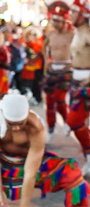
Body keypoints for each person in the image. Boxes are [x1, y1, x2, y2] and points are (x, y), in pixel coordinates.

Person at [43, 5, 72, 143]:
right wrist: (46, 61)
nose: (55, 24)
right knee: (49, 100)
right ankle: (50, 128)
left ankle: (67, 121)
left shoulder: (72, 35)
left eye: (58, 21)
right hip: (52, 69)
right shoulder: (50, 34)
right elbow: (44, 47)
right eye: (53, 21)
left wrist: (73, 63)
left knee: (59, 98)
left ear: (65, 21)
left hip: (66, 70)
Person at [67, 3, 90, 177]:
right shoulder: (78, 33)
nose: (71, 15)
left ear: (83, 15)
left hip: (86, 85)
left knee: (74, 121)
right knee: (77, 122)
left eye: (75, 12)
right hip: (77, 82)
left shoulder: (88, 33)